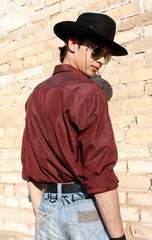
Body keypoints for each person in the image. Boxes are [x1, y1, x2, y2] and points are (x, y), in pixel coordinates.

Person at [21, 12, 128, 240]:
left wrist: (42, 216)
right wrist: (119, 236)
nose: (101, 60)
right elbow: (100, 171)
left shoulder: (35, 95)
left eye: (106, 57)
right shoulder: (89, 92)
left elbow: (31, 165)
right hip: (83, 208)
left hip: (47, 210)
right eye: (97, 51)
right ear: (72, 43)